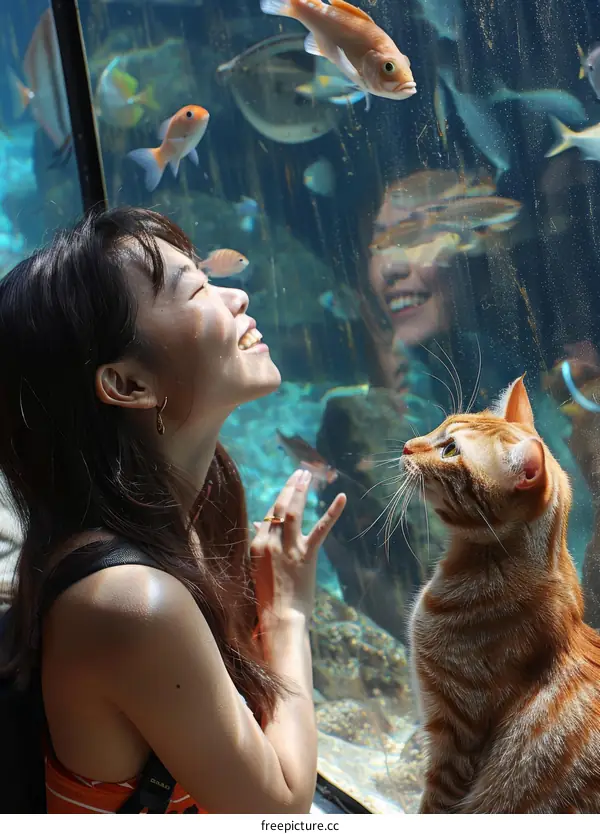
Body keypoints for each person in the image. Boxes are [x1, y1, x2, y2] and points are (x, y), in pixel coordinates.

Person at [0, 206, 346, 814]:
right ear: (129, 385)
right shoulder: (131, 601)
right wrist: (287, 610)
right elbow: (279, 814)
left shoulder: (198, 504)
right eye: (197, 290)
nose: (237, 296)